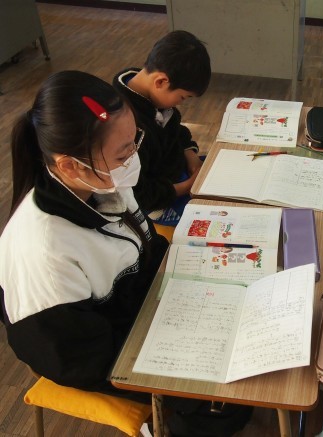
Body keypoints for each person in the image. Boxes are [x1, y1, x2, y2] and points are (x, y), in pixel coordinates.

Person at [0, 71, 251, 437]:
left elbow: (147, 248)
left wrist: (195, 288)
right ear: (70, 165)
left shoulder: (105, 182)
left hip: (141, 316)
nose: (135, 159)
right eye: (124, 153)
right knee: (222, 402)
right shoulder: (45, 250)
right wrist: (177, 346)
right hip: (97, 354)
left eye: (135, 143)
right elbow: (81, 357)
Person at [113, 30, 211, 225]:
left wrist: (190, 155)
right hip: (158, 201)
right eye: (183, 97)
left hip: (178, 173)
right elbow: (140, 193)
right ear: (161, 81)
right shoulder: (128, 128)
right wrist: (188, 186)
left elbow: (177, 132)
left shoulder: (154, 97)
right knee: (213, 218)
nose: (181, 103)